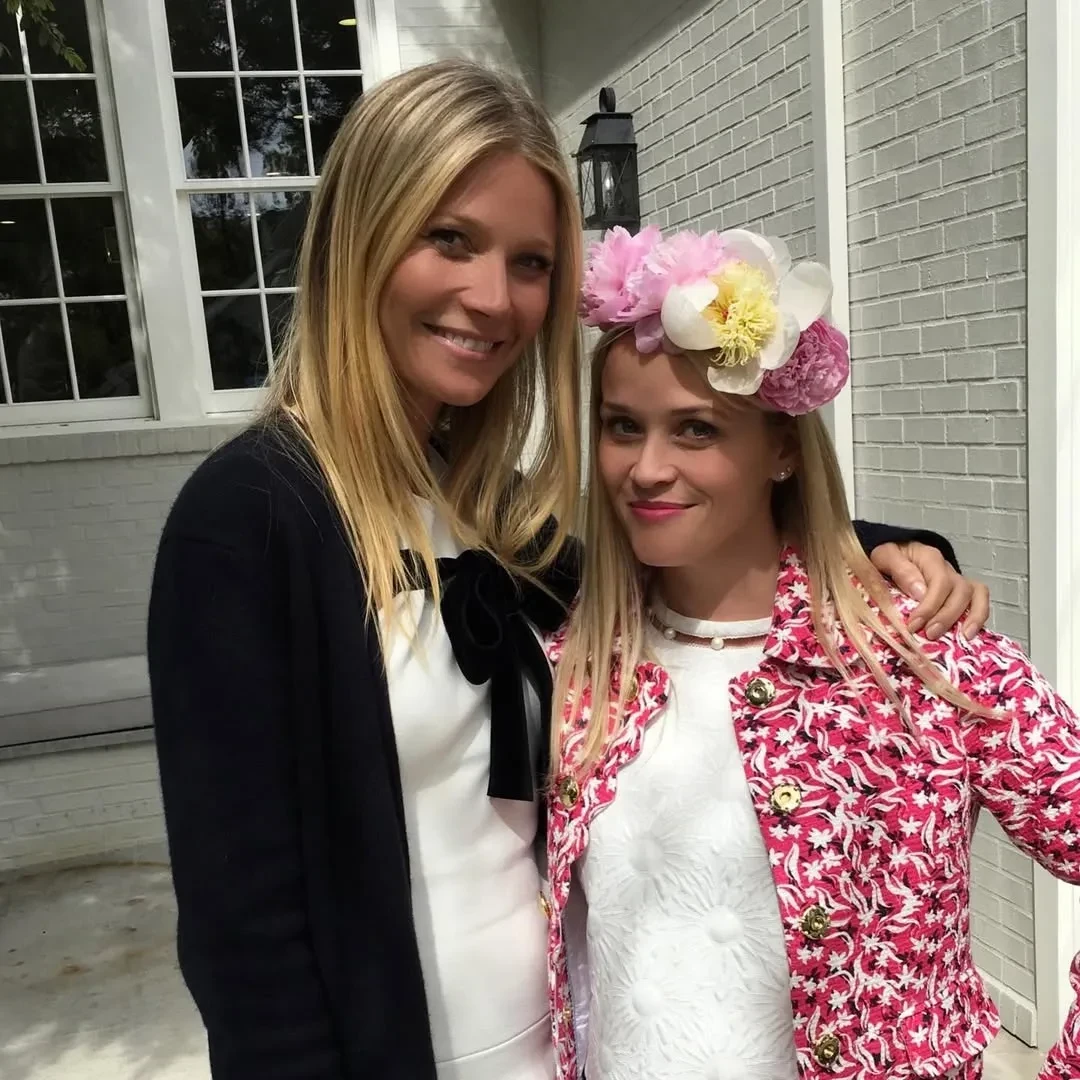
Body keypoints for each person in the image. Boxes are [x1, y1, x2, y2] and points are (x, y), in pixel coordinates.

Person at [147, 62, 989, 1080]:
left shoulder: (491, 515)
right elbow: (242, 930)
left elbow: (686, 560)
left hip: (567, 1048)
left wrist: (880, 548)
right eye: (449, 239)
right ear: (362, 237)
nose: (492, 297)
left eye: (531, 262)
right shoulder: (248, 523)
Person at [542, 226, 1080, 1080]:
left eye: (695, 430)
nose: (646, 468)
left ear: (783, 449)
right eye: (621, 426)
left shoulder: (919, 662)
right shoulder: (573, 669)